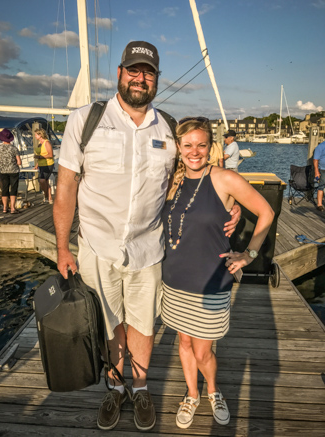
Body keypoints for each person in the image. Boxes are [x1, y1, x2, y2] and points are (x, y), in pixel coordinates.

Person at [53, 41, 241, 432]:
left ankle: (139, 388)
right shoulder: (85, 119)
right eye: (134, 70)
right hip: (96, 247)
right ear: (120, 73)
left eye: (149, 72)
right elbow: (67, 185)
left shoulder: (169, 128)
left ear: (156, 79)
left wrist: (230, 204)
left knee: (142, 326)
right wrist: (61, 248)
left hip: (148, 250)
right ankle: (115, 386)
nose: (141, 78)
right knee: (108, 325)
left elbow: (194, 174)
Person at [161, 117, 274, 429]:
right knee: (184, 344)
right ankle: (193, 395)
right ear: (178, 148)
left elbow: (266, 211)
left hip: (211, 283)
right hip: (174, 281)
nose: (194, 151)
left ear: (210, 147)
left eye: (201, 144)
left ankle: (213, 392)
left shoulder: (224, 179)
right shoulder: (173, 179)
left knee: (202, 350)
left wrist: (249, 254)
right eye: (188, 145)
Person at [0, 129, 22, 214]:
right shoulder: (14, 148)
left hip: (3, 171)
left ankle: (4, 208)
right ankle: (12, 208)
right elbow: (19, 162)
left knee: (4, 189)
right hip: (14, 170)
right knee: (13, 189)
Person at [34, 128, 54, 204]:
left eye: (36, 134)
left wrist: (39, 157)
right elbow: (39, 154)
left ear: (40, 135)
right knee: (45, 181)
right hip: (41, 165)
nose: (35, 136)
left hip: (48, 164)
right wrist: (37, 164)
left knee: (42, 180)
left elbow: (50, 154)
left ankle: (46, 195)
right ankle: (49, 197)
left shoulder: (46, 143)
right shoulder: (39, 143)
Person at [313, 140, 325, 211]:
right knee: (321, 186)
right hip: (323, 169)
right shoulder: (320, 146)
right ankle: (319, 204)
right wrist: (316, 171)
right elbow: (315, 160)